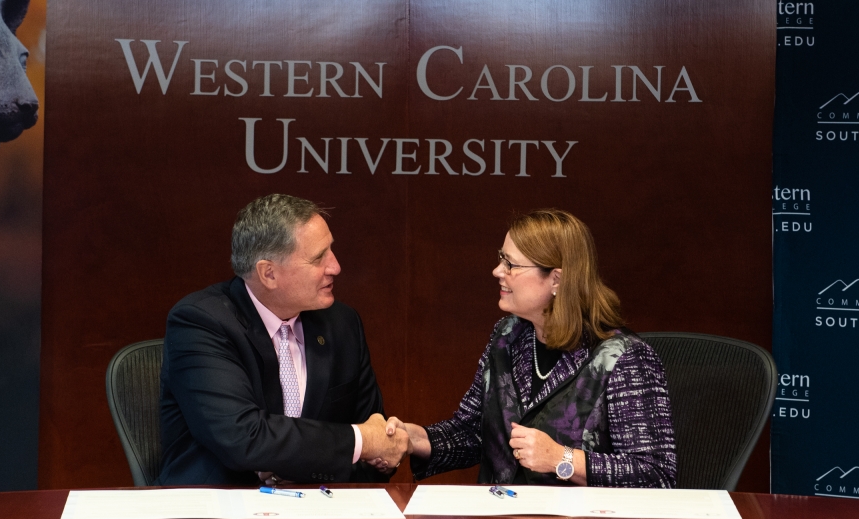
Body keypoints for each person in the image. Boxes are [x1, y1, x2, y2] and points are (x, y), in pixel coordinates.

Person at [381, 209, 676, 487]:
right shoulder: (507, 336)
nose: (498, 270)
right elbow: (475, 433)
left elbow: (656, 474)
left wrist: (562, 458)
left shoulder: (623, 358)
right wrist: (414, 439)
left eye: (511, 264)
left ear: (556, 280)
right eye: (501, 259)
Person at [156, 194, 407, 486]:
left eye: (331, 251)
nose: (335, 267)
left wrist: (378, 447)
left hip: (321, 511)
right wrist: (360, 440)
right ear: (269, 274)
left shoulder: (342, 323)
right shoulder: (201, 322)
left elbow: (378, 450)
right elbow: (243, 439)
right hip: (219, 515)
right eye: (318, 258)